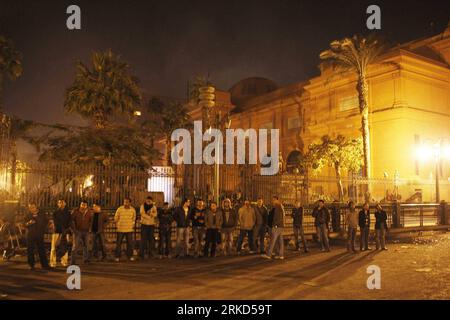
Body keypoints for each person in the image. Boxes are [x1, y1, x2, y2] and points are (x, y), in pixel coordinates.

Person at [25, 203, 50, 271]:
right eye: (30, 208)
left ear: (36, 207)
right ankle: (31, 264)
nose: (31, 209)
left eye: (33, 207)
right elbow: (24, 223)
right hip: (30, 234)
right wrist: (28, 223)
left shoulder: (41, 214)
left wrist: (42, 228)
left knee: (41, 249)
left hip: (39, 234)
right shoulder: (28, 214)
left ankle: (44, 264)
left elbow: (46, 221)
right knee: (30, 250)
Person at [50, 199, 71, 267]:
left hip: (65, 231)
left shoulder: (68, 212)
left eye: (62, 202)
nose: (61, 204)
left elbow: (69, 222)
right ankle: (53, 262)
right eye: (59, 203)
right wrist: (63, 229)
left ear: (65, 203)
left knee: (65, 247)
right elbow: (55, 222)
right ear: (58, 204)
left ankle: (64, 261)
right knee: (54, 247)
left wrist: (66, 230)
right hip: (57, 231)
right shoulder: (55, 212)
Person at [114, 197, 136, 262]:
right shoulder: (119, 209)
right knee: (118, 243)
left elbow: (134, 218)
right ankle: (117, 256)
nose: (125, 203)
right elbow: (116, 217)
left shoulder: (133, 210)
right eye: (124, 202)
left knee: (130, 243)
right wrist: (117, 223)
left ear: (130, 203)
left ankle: (130, 256)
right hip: (120, 229)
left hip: (129, 229)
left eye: (127, 202)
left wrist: (132, 224)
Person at [71, 200, 93, 265]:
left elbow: (91, 221)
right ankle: (73, 261)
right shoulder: (75, 211)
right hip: (77, 231)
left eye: (85, 205)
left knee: (86, 246)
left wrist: (89, 229)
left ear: (87, 206)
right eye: (82, 204)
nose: (83, 206)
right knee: (75, 247)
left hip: (86, 231)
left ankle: (86, 260)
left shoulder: (89, 212)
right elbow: (71, 221)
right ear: (80, 205)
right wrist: (74, 230)